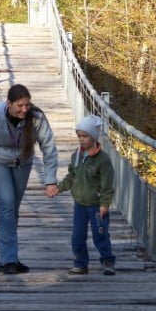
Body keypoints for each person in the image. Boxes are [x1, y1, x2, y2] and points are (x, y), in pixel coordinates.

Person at [0, 84, 58, 275]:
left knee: (12, 209)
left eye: (27, 105)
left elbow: (49, 148)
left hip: (23, 162)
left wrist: (50, 179)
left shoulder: (36, 118)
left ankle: (6, 258)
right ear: (8, 103)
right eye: (19, 105)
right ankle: (9, 258)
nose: (24, 109)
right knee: (7, 203)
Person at [53, 115, 116, 275]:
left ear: (94, 137)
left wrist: (104, 204)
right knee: (77, 236)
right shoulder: (77, 156)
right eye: (79, 136)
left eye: (85, 136)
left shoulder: (103, 160)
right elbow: (71, 176)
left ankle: (107, 261)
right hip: (80, 204)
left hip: (96, 205)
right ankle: (81, 263)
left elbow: (108, 185)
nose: (81, 140)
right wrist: (59, 188)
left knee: (100, 234)